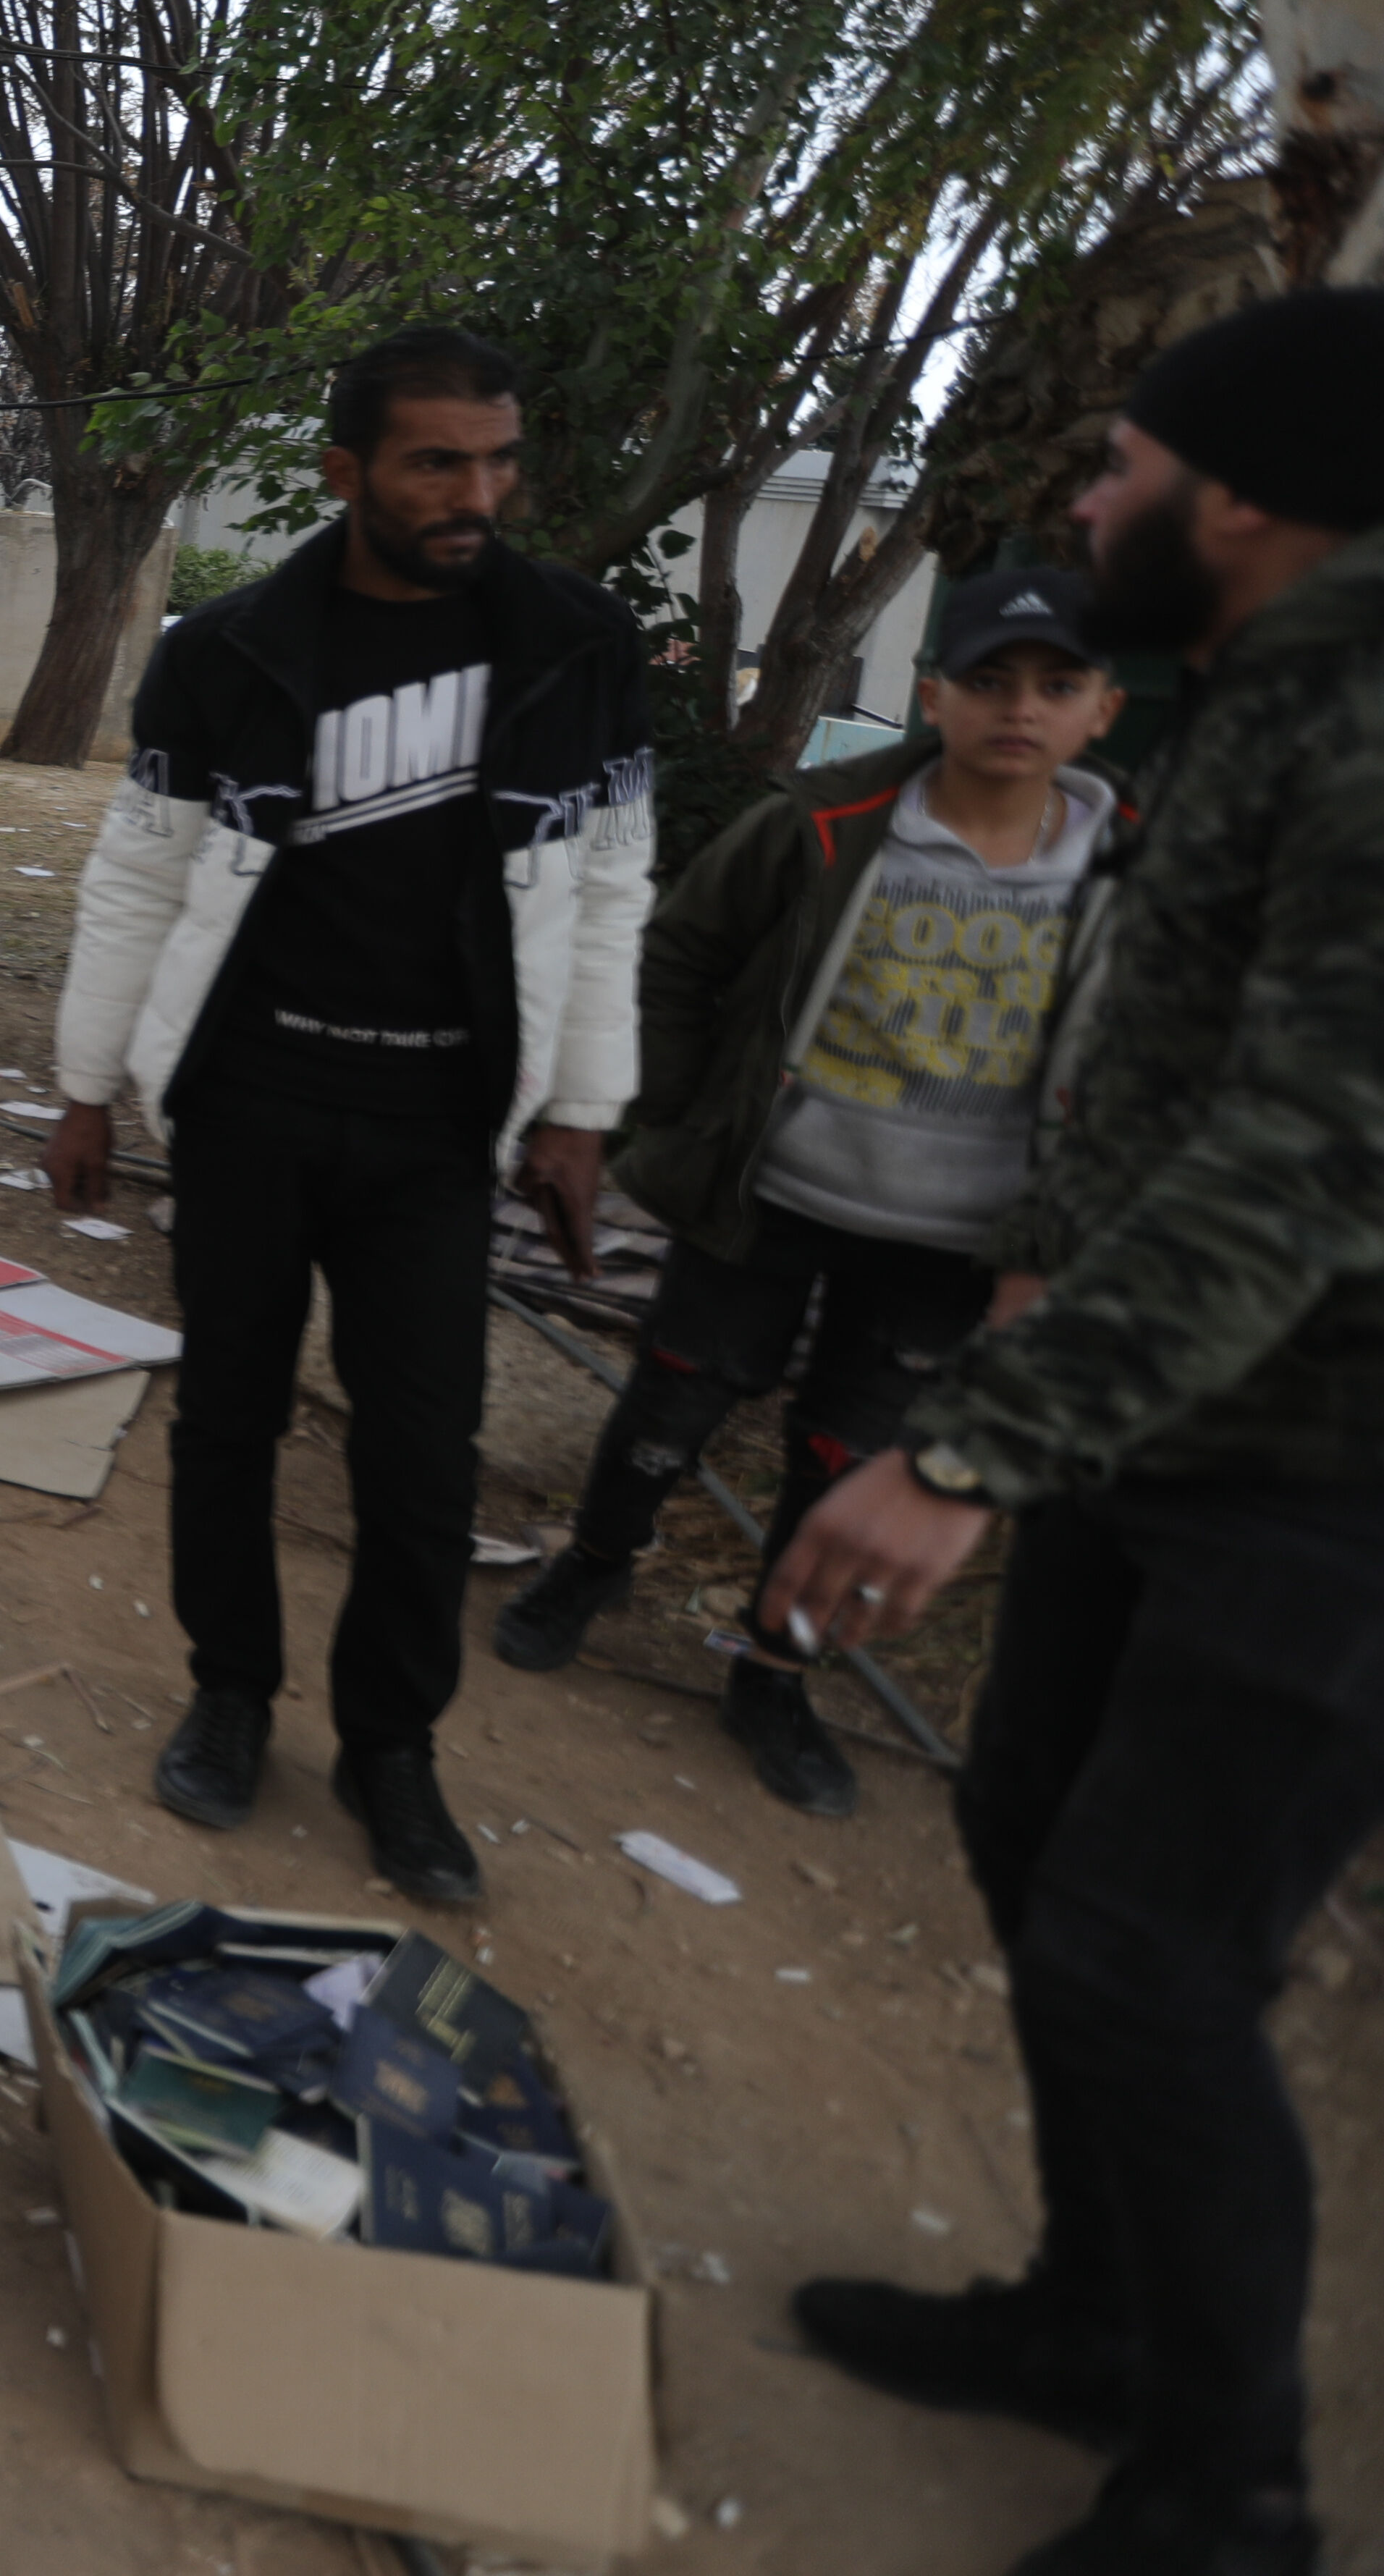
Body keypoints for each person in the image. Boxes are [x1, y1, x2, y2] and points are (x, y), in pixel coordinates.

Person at [765, 290, 1384, 2576]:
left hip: (1325, 1477)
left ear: (1237, 496)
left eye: (1119, 467)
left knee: (1150, 1945)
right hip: (1168, 1421)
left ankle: (1227, 2493)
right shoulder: (1267, 701)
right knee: (1035, 1847)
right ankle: (1093, 2321)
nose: (1088, 503)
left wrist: (954, 1446)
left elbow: (1313, 1154)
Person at [41, 326, 655, 1907]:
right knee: (228, 1416)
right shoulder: (230, 650)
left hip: (441, 1124)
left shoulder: (575, 647)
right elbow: (141, 875)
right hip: (250, 1099)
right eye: (435, 461)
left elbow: (605, 893)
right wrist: (86, 1082)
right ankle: (231, 1690)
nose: (476, 492)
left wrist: (583, 1110)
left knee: (423, 1458)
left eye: (498, 458)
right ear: (346, 472)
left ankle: (395, 1744)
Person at [493, 570, 1126, 1819]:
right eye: (990, 680)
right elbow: (684, 953)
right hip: (772, 1191)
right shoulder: (826, 822)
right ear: (933, 692)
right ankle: (596, 1564)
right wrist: (646, 1120)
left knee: (851, 1454)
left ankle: (775, 1668)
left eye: (1058, 686)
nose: (1021, 709)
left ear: (1102, 711)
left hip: (953, 1238)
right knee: (676, 1392)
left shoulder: (1130, 873)